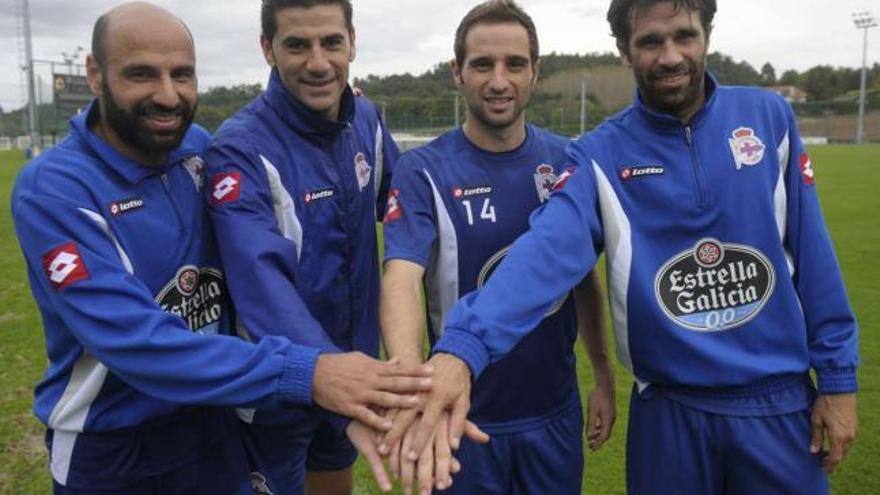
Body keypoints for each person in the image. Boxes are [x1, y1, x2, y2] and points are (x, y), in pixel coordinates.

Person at [402, 0, 860, 493]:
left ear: (706, 35)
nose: (669, 56)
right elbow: (544, 253)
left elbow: (814, 258)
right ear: (624, 51)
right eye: (649, 42)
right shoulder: (600, 154)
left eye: (683, 36)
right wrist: (462, 349)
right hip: (668, 413)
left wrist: (838, 379)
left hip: (778, 405)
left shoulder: (768, 119)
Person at [10, 3, 429, 493]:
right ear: (95, 75)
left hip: (214, 420)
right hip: (113, 446)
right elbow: (139, 344)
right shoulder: (55, 190)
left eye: (182, 74)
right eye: (142, 74)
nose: (167, 94)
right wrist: (311, 371)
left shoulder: (197, 151)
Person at [379, 1, 615, 494]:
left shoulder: (566, 160)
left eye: (514, 64)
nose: (499, 80)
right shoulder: (423, 169)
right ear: (457, 74)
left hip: (552, 414)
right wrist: (410, 391)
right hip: (460, 416)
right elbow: (401, 275)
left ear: (536, 71)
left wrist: (602, 374)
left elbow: (582, 277)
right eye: (482, 64)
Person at [203, 1, 401, 493]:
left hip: (353, 371)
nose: (318, 62)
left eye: (331, 42)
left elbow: (403, 210)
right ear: (268, 48)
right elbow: (261, 281)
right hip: (277, 386)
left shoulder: (367, 120)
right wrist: (328, 372)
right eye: (297, 45)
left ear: (352, 41)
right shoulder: (239, 149)